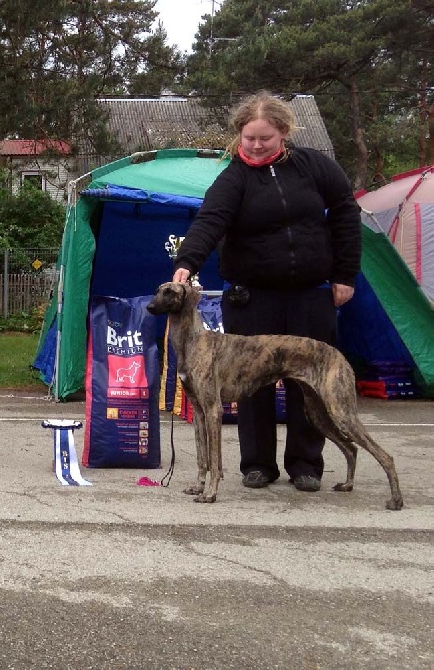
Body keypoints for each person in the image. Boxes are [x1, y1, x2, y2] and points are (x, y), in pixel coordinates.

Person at [172, 90, 362, 492]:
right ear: (239, 136)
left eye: (266, 139)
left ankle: (306, 464)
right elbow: (210, 220)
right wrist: (186, 263)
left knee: (309, 383)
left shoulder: (314, 166)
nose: (256, 147)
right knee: (248, 385)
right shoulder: (233, 178)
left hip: (310, 294)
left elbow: (346, 212)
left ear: (284, 133)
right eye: (249, 139)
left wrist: (345, 274)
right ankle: (257, 465)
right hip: (252, 297)